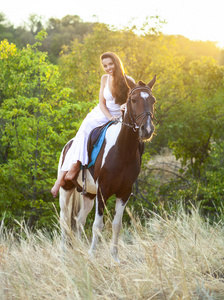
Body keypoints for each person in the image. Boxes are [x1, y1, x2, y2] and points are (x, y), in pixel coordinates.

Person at [51, 52, 134, 197]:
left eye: (110, 64)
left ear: (117, 63)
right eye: (105, 65)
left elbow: (134, 102)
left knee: (134, 140)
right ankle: (71, 168)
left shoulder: (128, 80)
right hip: (102, 114)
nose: (108, 68)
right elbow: (102, 103)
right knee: (84, 130)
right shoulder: (104, 79)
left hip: (121, 116)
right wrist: (109, 117)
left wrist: (124, 107)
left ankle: (128, 175)